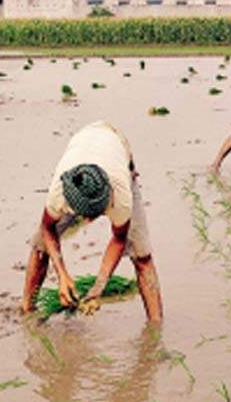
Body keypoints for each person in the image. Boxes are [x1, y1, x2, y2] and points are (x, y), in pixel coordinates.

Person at [21, 121, 163, 322]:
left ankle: (155, 327)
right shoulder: (60, 191)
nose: (87, 220)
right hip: (85, 140)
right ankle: (27, 310)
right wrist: (62, 275)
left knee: (142, 255)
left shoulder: (120, 196)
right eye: (83, 214)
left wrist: (98, 287)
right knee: (40, 246)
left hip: (116, 145)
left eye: (93, 214)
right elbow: (48, 227)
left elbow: (119, 239)